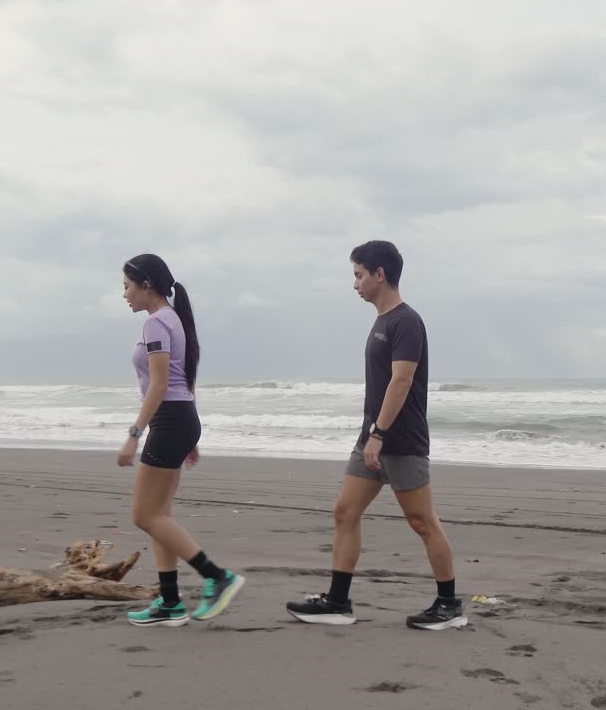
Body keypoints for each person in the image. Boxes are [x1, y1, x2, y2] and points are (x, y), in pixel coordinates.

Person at [286, 241, 465, 630]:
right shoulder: (381, 321)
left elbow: (401, 381)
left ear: (379, 274)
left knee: (422, 521)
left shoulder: (406, 322)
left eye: (358, 275)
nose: (355, 284)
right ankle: (338, 602)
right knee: (344, 511)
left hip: (400, 441)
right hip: (372, 438)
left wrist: (380, 434)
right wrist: (372, 434)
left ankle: (449, 605)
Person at [118, 253, 244, 627]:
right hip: (181, 418)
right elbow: (183, 380)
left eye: (126, 286)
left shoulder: (157, 324)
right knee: (160, 516)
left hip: (170, 420)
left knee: (144, 515)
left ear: (146, 285)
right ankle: (170, 602)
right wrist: (189, 433)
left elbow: (159, 384)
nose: (123, 294)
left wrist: (134, 435)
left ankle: (217, 577)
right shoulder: (175, 319)